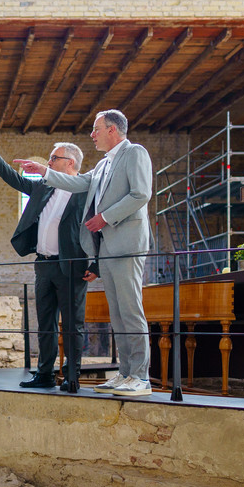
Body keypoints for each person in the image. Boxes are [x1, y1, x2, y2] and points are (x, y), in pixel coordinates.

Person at [18, 109, 153, 397]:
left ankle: (141, 377)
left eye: (96, 129)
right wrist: (45, 171)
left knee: (131, 312)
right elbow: (78, 183)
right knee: (117, 314)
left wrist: (105, 217)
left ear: (113, 130)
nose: (92, 134)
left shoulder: (135, 153)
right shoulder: (104, 165)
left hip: (128, 245)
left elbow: (141, 194)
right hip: (108, 248)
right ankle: (125, 374)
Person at [0, 139, 97, 393]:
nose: (50, 162)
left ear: (71, 163)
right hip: (43, 266)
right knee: (44, 324)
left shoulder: (85, 192)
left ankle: (71, 376)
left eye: (54, 158)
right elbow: (19, 182)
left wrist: (97, 263)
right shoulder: (46, 187)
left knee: (72, 325)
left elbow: (99, 228)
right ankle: (44, 373)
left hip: (71, 266)